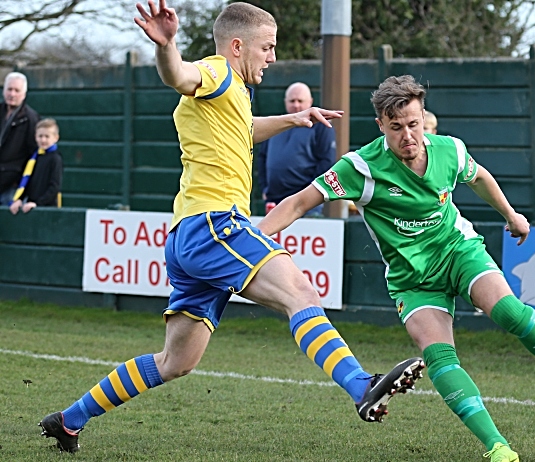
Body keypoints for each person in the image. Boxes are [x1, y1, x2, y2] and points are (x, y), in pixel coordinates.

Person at [38, 0, 424, 454]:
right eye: (268, 47)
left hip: (187, 234)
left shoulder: (232, 95)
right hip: (215, 223)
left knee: (175, 361)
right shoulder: (218, 72)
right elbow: (179, 75)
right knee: (300, 293)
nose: (273, 57)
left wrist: (294, 119)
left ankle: (68, 420)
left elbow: (244, 128)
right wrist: (167, 46)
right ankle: (361, 386)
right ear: (238, 45)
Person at [257, 75, 535, 462]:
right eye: (396, 127)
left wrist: (512, 215)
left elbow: (479, 176)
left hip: (458, 250)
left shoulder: (449, 150)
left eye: (414, 124)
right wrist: (255, 237)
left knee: (508, 312)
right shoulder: (360, 167)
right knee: (440, 358)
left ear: (423, 118)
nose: (408, 136)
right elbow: (299, 203)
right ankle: (497, 448)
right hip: (412, 280)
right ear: (381, 125)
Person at [258, 82, 336, 217]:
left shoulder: (320, 126)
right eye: (292, 101)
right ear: (285, 102)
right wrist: (265, 187)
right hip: (274, 199)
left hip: (305, 203)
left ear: (310, 102)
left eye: (300, 101)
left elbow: (326, 161)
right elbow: (262, 156)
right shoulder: (276, 123)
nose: (296, 105)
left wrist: (310, 192)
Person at [0, 72, 40, 205]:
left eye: (17, 90)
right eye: (9, 89)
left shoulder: (31, 119)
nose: (12, 94)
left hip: (12, 186)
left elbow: (34, 156)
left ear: (24, 94)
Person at [9, 118, 63, 214]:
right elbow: (27, 181)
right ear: (35, 137)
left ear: (56, 138)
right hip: (30, 206)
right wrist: (19, 199)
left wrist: (38, 203)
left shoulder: (55, 159)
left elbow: (54, 187)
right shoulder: (34, 158)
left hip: (48, 208)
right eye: (40, 136)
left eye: (47, 136)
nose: (43, 140)